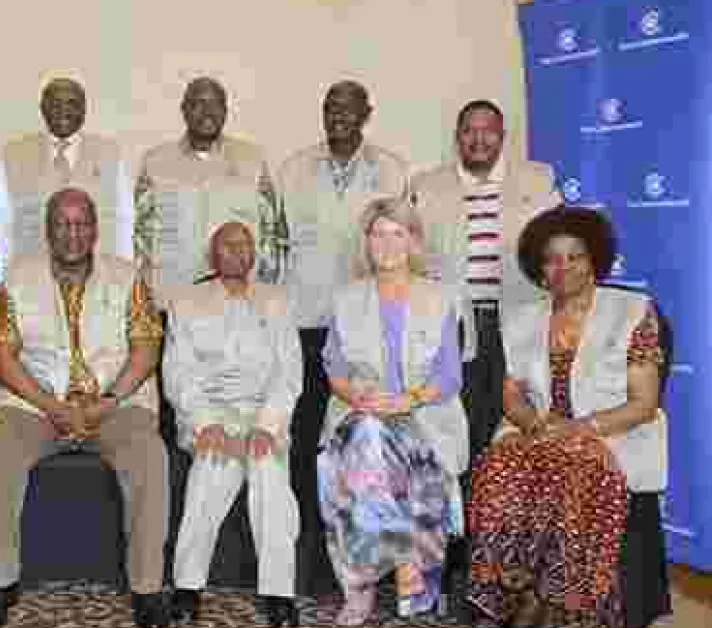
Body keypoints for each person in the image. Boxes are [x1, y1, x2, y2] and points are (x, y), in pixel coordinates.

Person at [0, 188, 171, 627]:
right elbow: (2, 358)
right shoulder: (17, 279)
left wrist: (108, 401)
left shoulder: (128, 279)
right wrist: (50, 405)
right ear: (47, 231)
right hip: (36, 403)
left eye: (81, 223)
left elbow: (145, 350)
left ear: (95, 230)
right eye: (62, 224)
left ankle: (148, 587)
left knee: (150, 457)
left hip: (115, 404)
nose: (72, 233)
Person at [468, 207, 669, 628]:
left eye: (574, 256)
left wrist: (578, 429)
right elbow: (512, 395)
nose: (564, 268)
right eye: (552, 259)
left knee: (572, 470)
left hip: (610, 430)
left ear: (594, 259)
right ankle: (519, 592)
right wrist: (534, 425)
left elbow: (644, 402)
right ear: (539, 270)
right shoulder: (521, 319)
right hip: (538, 428)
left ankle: (564, 604)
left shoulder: (633, 312)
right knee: (496, 469)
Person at [275, 79, 410, 593]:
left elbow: (398, 247)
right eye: (330, 107)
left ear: (366, 114)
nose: (338, 115)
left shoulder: (392, 171)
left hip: (365, 328)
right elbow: (277, 246)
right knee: (305, 446)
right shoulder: (293, 169)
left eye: (349, 108)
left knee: (356, 449)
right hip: (305, 323)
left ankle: (363, 566)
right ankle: (309, 562)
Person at [317, 198, 467, 625]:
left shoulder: (441, 297)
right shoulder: (346, 298)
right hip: (358, 412)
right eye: (378, 234)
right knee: (367, 435)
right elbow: (335, 368)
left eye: (397, 233)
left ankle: (367, 582)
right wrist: (359, 397)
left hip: (425, 415)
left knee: (375, 446)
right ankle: (392, 573)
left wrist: (408, 399)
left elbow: (450, 376)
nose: (387, 243)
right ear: (366, 242)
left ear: (414, 241)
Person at [164, 222, 301, 627]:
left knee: (270, 475)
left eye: (245, 244)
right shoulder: (187, 302)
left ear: (254, 253)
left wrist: (267, 426)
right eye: (228, 245)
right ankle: (187, 587)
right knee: (210, 470)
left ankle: (279, 593)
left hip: (263, 413)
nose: (238, 251)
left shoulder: (277, 301)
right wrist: (205, 423)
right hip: (212, 413)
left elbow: (289, 373)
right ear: (212, 255)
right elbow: (178, 374)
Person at [410, 99, 561, 462]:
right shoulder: (426, 186)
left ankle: (506, 494)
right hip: (454, 325)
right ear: (457, 137)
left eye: (488, 131)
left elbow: (559, 244)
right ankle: (464, 494)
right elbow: (411, 253)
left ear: (503, 136)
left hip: (521, 317)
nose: (479, 139)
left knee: (517, 419)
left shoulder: (538, 179)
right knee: (461, 421)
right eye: (469, 131)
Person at [135, 76, 285, 298]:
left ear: (225, 111)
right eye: (198, 103)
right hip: (171, 293)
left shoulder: (252, 159)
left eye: (215, 104)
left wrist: (264, 289)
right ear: (184, 110)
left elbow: (270, 231)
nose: (208, 112)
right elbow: (140, 231)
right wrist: (146, 289)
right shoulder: (156, 162)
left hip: (237, 297)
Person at [0, 77, 132, 270]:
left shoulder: (109, 153)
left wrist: (124, 270)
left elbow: (124, 220)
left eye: (72, 104)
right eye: (55, 104)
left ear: (84, 110)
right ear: (43, 109)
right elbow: (2, 223)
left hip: (99, 274)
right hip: (31, 273)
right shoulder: (15, 154)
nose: (64, 111)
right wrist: (3, 274)